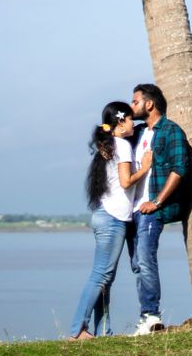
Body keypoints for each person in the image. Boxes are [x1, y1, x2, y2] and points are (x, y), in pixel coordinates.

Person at [68, 101, 153, 340]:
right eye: (129, 120)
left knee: (105, 277)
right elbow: (126, 182)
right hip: (113, 218)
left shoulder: (109, 145)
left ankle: (103, 331)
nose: (133, 124)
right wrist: (145, 167)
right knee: (101, 275)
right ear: (120, 122)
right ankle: (77, 331)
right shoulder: (122, 145)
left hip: (106, 215)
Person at [128, 83, 192, 336]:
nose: (131, 106)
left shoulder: (171, 131)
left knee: (145, 259)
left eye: (135, 102)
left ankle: (151, 316)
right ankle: (147, 317)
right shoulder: (138, 132)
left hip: (151, 209)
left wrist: (157, 202)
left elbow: (179, 169)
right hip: (131, 209)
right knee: (137, 264)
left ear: (149, 104)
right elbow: (106, 130)